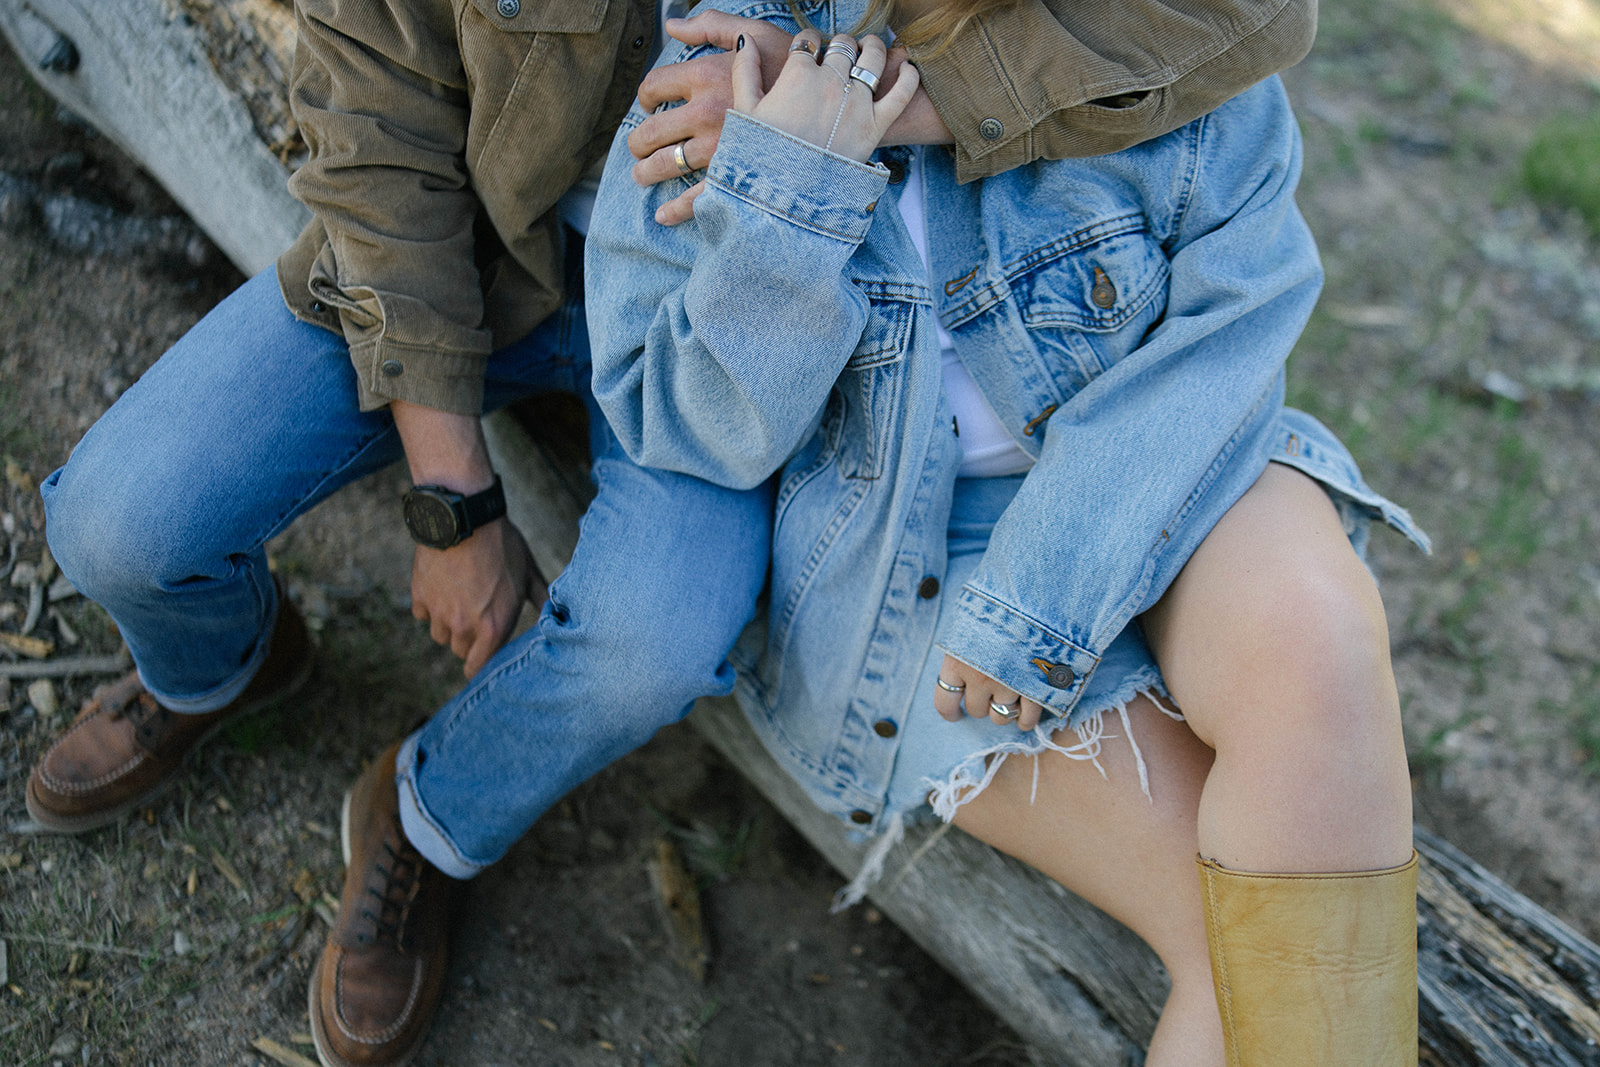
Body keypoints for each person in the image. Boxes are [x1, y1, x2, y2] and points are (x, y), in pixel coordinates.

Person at [23, 1, 1318, 1065]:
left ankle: (422, 817)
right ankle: (221, 663)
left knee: (657, 634)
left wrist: (873, 98)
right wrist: (452, 495)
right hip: (469, 261)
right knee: (118, 517)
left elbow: (1239, 19)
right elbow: (377, 136)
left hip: (745, 307)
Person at [585, 1, 1430, 1062]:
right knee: (1257, 953)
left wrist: (1048, 592)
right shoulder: (726, 46)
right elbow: (687, 428)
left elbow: (1241, 308)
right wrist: (792, 186)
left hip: (1167, 455)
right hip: (910, 557)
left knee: (1316, 639)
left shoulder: (1158, 29)